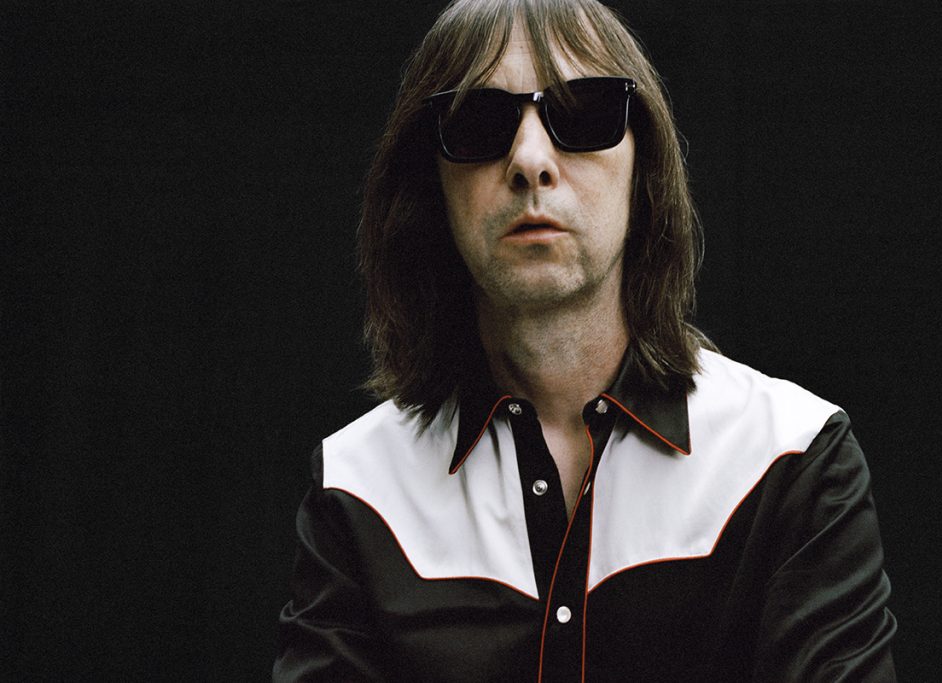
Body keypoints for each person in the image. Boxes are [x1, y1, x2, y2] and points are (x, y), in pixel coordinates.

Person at [273, 0, 897, 680]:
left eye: (584, 113)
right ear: (431, 183)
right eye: (478, 122)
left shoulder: (792, 458)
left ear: (644, 167)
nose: (530, 160)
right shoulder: (358, 488)